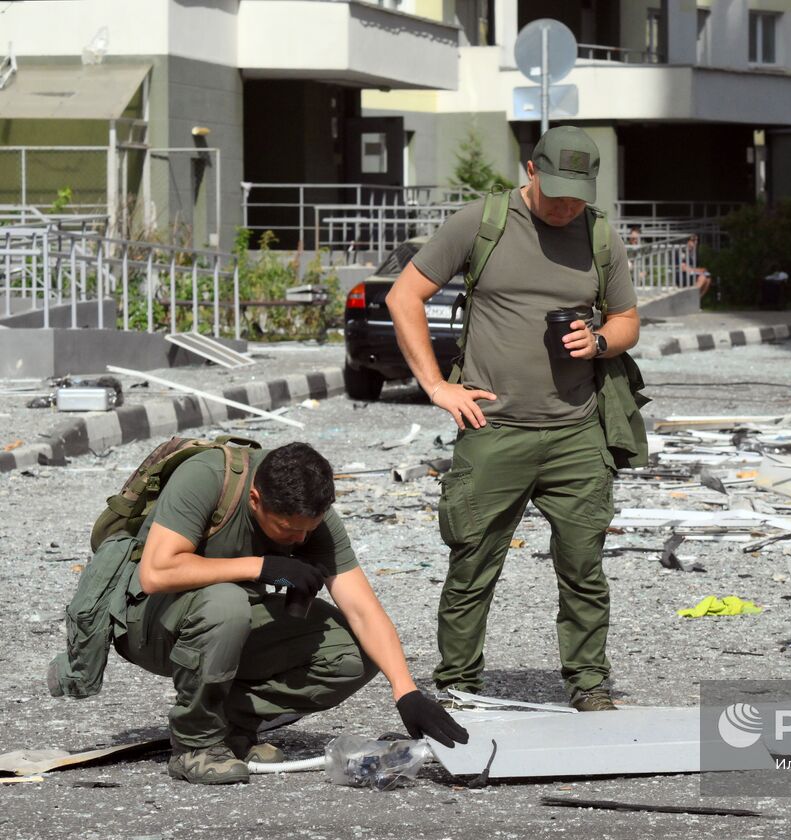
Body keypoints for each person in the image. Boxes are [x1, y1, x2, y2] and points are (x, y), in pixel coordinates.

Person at [384, 126, 641, 712]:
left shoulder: (601, 235)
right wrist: (436, 386)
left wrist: (599, 341)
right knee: (472, 564)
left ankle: (588, 682)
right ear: (530, 170)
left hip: (577, 430)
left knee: (584, 567)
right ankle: (459, 687)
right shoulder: (481, 221)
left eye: (577, 194)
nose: (565, 205)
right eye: (555, 192)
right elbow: (404, 297)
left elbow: (627, 320)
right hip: (492, 430)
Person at [115, 442, 468, 785]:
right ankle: (196, 744)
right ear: (255, 500)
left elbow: (363, 610)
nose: (300, 539)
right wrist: (261, 566)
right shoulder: (206, 477)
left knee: (354, 653)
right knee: (227, 604)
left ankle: (230, 727)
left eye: (308, 530)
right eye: (288, 529)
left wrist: (406, 692)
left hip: (226, 625)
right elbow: (157, 572)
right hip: (148, 624)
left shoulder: (308, 514)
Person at [681, 233, 711, 299]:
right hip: (681, 275)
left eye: (697, 240)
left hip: (690, 274)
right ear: (687, 241)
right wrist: (699, 270)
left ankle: (697, 300)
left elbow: (692, 268)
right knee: (702, 277)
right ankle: (691, 298)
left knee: (708, 279)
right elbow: (683, 268)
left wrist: (700, 270)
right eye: (693, 240)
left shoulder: (694, 252)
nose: (696, 242)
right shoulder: (682, 252)